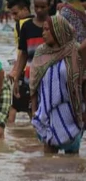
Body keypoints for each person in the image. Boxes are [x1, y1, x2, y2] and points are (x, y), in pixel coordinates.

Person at [30, 15, 86, 154]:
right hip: (46, 112)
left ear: (58, 30)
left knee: (72, 161)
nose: (43, 33)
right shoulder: (41, 52)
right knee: (48, 161)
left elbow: (82, 81)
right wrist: (34, 111)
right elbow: (34, 84)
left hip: (70, 112)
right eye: (43, 29)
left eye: (47, 30)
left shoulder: (75, 51)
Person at [12, 0, 51, 122]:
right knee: (33, 115)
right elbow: (23, 54)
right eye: (37, 7)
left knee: (49, 113)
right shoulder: (27, 26)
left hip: (50, 77)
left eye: (43, 7)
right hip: (31, 77)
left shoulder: (54, 25)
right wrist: (17, 78)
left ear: (49, 7)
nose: (39, 10)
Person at [6, 0, 33, 123]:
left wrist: (15, 71)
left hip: (24, 70)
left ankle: (10, 134)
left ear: (25, 9)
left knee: (13, 106)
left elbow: (22, 52)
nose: (14, 17)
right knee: (31, 106)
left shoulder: (21, 24)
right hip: (34, 69)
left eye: (15, 13)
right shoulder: (37, 22)